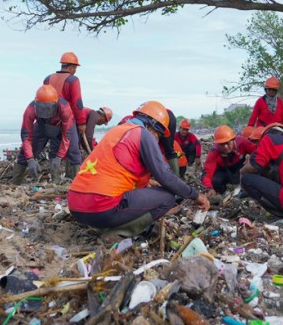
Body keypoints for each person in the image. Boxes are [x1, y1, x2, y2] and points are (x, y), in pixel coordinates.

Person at [67, 101, 210, 240]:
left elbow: (115, 170)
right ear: (151, 126)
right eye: (159, 135)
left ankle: (106, 225)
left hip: (75, 205)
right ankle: (118, 233)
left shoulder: (116, 131)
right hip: (101, 207)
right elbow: (167, 177)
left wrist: (147, 182)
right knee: (168, 198)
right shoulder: (143, 134)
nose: (157, 140)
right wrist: (196, 195)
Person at [12, 85, 81, 185]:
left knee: (73, 151)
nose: (46, 112)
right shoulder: (30, 110)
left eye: (48, 108)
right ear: (36, 103)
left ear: (55, 103)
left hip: (62, 127)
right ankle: (15, 183)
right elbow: (26, 136)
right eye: (42, 108)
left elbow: (67, 136)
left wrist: (59, 158)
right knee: (24, 155)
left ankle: (73, 184)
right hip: (42, 126)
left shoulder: (65, 108)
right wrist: (30, 159)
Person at [201, 125, 256, 195]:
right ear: (217, 144)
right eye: (221, 144)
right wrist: (209, 188)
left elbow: (258, 151)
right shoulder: (214, 152)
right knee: (214, 181)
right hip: (223, 171)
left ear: (233, 139)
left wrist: (252, 156)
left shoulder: (242, 142)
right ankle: (224, 192)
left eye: (227, 143)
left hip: (240, 168)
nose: (225, 147)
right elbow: (206, 173)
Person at [44, 52, 87, 135]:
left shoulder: (48, 79)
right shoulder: (73, 80)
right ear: (71, 68)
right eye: (75, 68)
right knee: (72, 147)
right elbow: (77, 103)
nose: (75, 71)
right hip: (66, 121)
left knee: (55, 146)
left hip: (49, 121)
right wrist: (81, 122)